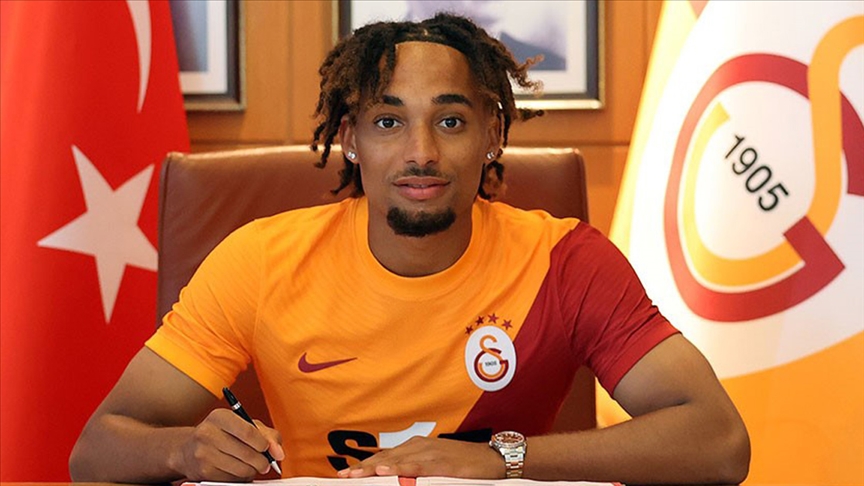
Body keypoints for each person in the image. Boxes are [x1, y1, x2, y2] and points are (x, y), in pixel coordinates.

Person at [69, 13, 749, 484]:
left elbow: (719, 441)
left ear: (492, 135)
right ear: (351, 140)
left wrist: (503, 460)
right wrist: (186, 451)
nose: (421, 153)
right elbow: (96, 448)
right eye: (389, 122)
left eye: (450, 121)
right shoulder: (260, 260)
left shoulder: (566, 260)